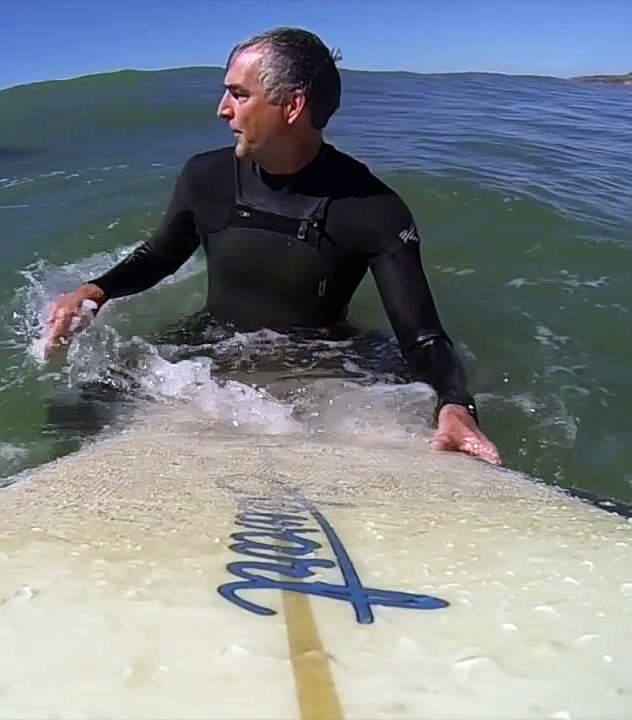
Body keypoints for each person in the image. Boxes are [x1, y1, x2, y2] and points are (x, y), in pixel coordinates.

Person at [43, 27, 501, 465]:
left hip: (319, 371)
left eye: (239, 94)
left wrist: (455, 403)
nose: (222, 109)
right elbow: (160, 256)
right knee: (73, 415)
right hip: (205, 355)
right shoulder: (206, 178)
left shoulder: (373, 209)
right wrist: (94, 291)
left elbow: (421, 337)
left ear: (292, 105)